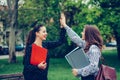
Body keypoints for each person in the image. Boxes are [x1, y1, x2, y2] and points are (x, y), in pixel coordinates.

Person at [60, 13, 103, 80]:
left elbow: (93, 67)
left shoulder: (94, 48)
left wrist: (78, 71)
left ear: (88, 34)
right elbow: (75, 37)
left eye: (83, 32)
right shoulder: (86, 45)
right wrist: (65, 25)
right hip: (86, 77)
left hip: (92, 78)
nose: (81, 33)